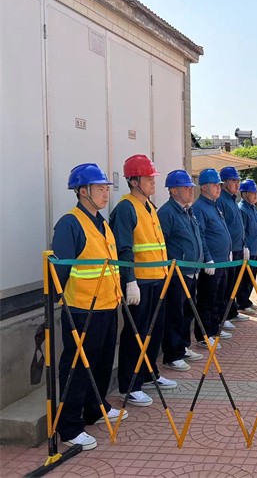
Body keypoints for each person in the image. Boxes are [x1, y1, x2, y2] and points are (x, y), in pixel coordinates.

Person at [52, 163, 125, 451]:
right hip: (82, 309)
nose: (106, 193)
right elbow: (60, 270)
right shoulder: (70, 223)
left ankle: (95, 408)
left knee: (102, 362)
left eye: (107, 188)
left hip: (107, 305)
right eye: (100, 188)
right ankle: (70, 426)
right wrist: (56, 303)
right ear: (83, 191)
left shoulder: (102, 223)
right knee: (77, 367)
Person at [110, 154, 174, 407]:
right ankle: (130, 385)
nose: (152, 182)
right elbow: (124, 248)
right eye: (148, 178)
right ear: (134, 181)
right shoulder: (126, 208)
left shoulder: (149, 206)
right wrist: (130, 281)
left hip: (157, 279)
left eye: (152, 178)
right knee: (136, 334)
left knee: (154, 332)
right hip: (140, 284)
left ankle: (149, 373)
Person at [157, 170, 205, 371]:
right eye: (186, 188)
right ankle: (172, 354)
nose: (191, 191)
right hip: (177, 273)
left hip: (191, 271)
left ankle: (183, 347)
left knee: (187, 313)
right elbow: (162, 243)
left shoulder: (187, 211)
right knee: (175, 314)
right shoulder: (167, 213)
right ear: (174, 190)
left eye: (191, 188)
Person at [191, 168, 233, 349]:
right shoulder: (199, 207)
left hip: (222, 261)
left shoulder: (214, 205)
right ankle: (204, 335)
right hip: (211, 264)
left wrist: (228, 251)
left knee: (218, 297)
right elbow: (201, 235)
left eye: (219, 185)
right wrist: (207, 258)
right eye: (215, 185)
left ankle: (215, 329)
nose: (219, 188)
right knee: (207, 299)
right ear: (204, 187)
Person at [218, 166, 251, 327]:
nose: (237, 184)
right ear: (224, 182)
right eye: (233, 181)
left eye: (238, 181)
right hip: (229, 251)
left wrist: (244, 245)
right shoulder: (221, 201)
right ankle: (224, 316)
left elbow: (238, 226)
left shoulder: (232, 200)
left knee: (233, 285)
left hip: (238, 248)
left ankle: (232, 312)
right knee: (225, 287)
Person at [237, 179, 257, 314]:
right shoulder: (242, 209)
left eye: (256, 193)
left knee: (252, 278)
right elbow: (241, 231)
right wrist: (245, 247)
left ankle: (246, 300)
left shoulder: (253, 208)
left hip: (256, 249)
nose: (255, 195)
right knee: (245, 278)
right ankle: (241, 302)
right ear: (244, 194)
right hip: (248, 250)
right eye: (253, 193)